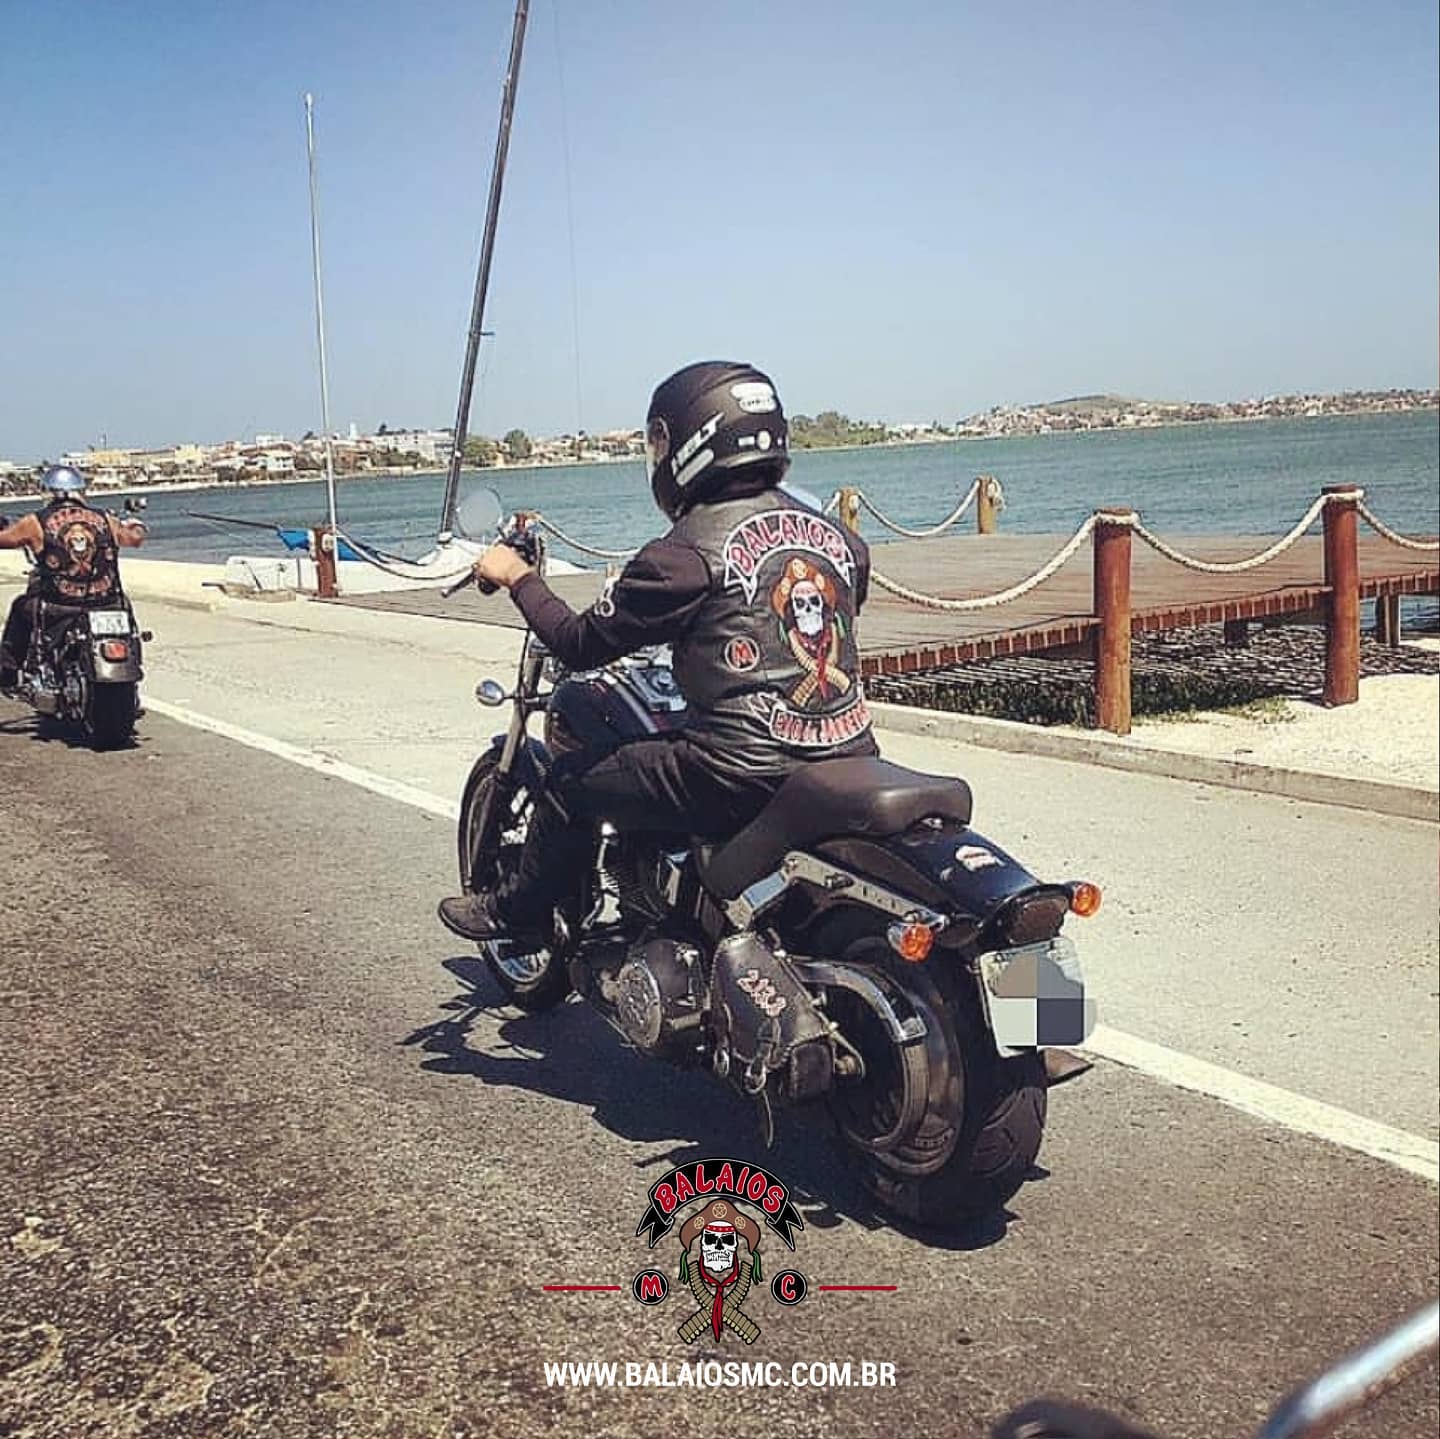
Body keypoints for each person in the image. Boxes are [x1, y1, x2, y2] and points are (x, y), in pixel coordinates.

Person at [438, 359, 878, 943]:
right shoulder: (844, 541)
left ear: (692, 443)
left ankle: (517, 913)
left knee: (569, 783)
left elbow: (577, 644)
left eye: (660, 443)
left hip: (734, 773)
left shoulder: (682, 555)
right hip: (849, 756)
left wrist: (518, 576)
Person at [0, 465, 147, 691]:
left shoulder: (35, 522)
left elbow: (5, 540)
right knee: (126, 613)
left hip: (59, 605)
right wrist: (136, 525)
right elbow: (134, 539)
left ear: (48, 493)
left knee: (21, 607)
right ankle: (135, 659)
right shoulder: (106, 519)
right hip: (106, 602)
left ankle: (8, 675)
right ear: (81, 491)